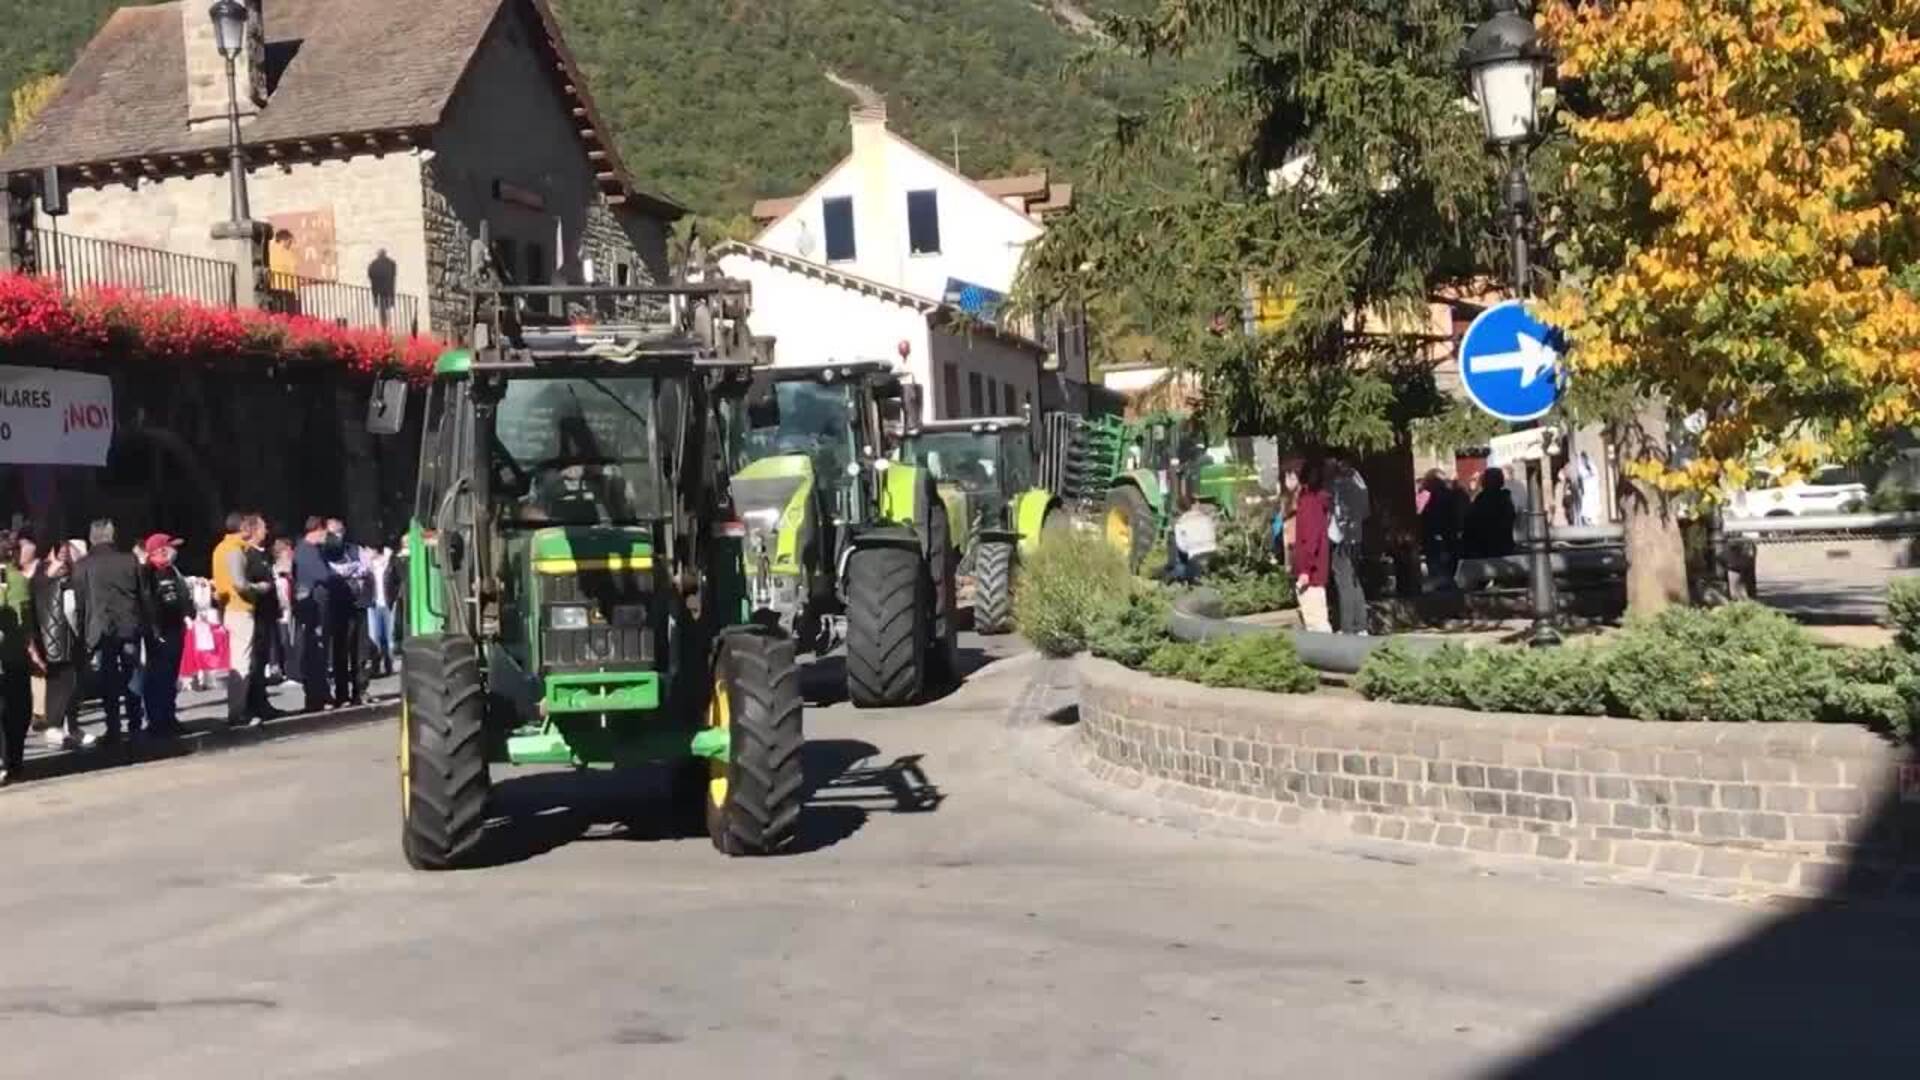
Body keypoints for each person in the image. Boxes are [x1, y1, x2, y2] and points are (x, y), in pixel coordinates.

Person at [72, 518, 146, 741]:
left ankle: (113, 726)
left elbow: (80, 602)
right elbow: (143, 595)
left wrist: (81, 632)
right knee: (133, 672)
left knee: (108, 677)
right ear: (112, 536)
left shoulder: (83, 565)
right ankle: (135, 723)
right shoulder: (129, 560)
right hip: (129, 624)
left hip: (100, 629)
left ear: (92, 538)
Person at [211, 512, 275, 728]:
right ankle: (239, 712)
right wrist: (259, 587)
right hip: (240, 608)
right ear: (244, 529)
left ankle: (238, 709)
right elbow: (239, 582)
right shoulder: (235, 549)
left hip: (227, 608)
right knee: (242, 661)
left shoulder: (220, 548)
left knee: (238, 660)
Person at [30, 543, 87, 751]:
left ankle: (66, 728)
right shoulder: (46, 581)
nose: (63, 562)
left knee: (67, 685)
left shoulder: (50, 580)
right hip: (57, 641)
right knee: (62, 685)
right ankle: (56, 727)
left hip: (57, 641)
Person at [136, 534, 194, 737]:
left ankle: (169, 716)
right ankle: (156, 720)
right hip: (158, 631)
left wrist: (187, 614)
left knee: (171, 676)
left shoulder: (172, 571)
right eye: (169, 548)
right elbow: (147, 602)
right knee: (157, 676)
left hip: (175, 628)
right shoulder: (146, 572)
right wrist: (154, 628)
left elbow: (183, 595)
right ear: (158, 551)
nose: (173, 552)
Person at [293, 517, 343, 712]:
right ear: (317, 530)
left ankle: (320, 692)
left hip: (318, 605)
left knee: (319, 652)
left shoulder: (313, 550)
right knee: (315, 651)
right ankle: (316, 695)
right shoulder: (306, 551)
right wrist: (338, 578)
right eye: (325, 532)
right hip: (313, 607)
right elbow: (322, 575)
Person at [1326, 458, 1371, 636]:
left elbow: (1333, 512)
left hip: (1340, 540)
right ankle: (1361, 625)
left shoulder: (1338, 486)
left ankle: (1348, 627)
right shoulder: (1359, 483)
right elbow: (1366, 512)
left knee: (1344, 582)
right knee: (1355, 582)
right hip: (1356, 537)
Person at [0, 533, 31, 782]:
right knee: (17, 711)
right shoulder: (15, 579)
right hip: (12, 656)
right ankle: (14, 763)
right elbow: (23, 622)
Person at [1291, 458, 1334, 634]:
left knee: (1315, 621)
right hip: (1315, 570)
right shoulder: (1316, 500)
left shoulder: (1308, 502)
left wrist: (1305, 570)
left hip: (1311, 572)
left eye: (1290, 476)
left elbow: (1310, 539)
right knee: (1317, 617)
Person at [16, 533, 44, 734]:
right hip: (21, 627)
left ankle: (40, 712)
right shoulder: (9, 573)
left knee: (38, 671)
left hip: (37, 625)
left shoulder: (39, 570)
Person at [1463, 467, 1519, 558]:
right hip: (1503, 548)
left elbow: (1471, 523)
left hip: (1484, 549)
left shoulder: (1482, 500)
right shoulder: (1505, 499)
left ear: (1484, 482)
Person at [1418, 469, 1461, 586]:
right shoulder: (1451, 495)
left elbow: (1421, 515)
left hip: (1434, 537)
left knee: (1437, 572)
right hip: (1449, 538)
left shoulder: (1428, 496)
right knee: (1447, 572)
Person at [367, 544, 396, 678]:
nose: (367, 552)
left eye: (369, 549)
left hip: (387, 603)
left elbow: (397, 581)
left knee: (388, 636)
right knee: (375, 637)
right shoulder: (367, 567)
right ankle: (376, 666)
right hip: (373, 604)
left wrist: (395, 597)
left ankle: (388, 665)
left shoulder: (389, 563)